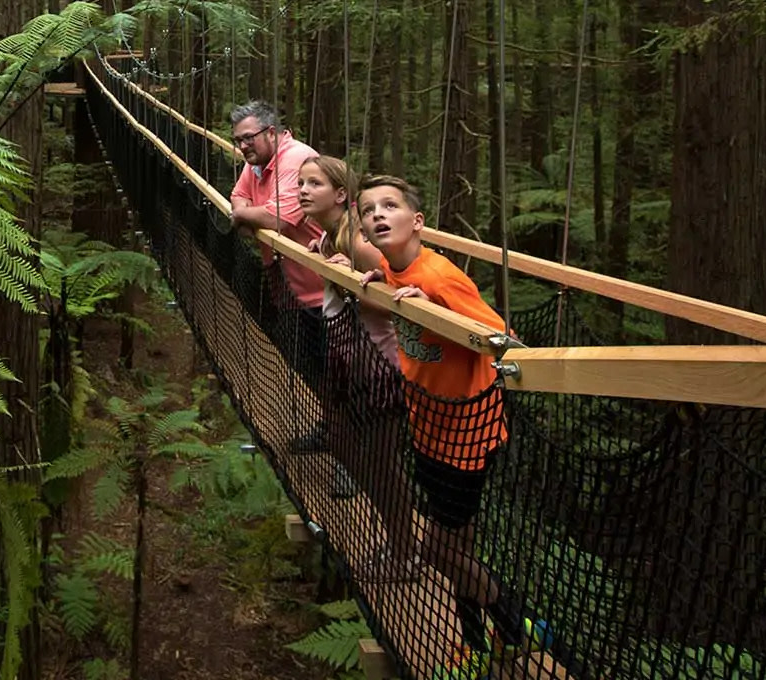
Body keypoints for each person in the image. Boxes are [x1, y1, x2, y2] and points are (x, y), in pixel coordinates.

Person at [354, 174, 549, 679]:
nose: (377, 214)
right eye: (368, 209)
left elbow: (504, 338)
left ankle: (517, 623)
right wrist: (376, 284)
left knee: (438, 549)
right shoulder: (387, 265)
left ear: (416, 222)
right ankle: (476, 645)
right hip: (427, 426)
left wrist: (434, 308)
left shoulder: (440, 278)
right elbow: (381, 275)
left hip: (466, 433)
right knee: (458, 547)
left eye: (390, 206)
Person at [296, 156, 419, 579]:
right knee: (351, 449)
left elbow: (389, 296)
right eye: (300, 183)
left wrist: (349, 275)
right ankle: (400, 545)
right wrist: (327, 255)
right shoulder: (334, 235)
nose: (303, 191)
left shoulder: (356, 239)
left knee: (384, 467)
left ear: (341, 194)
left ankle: (405, 553)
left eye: (314, 184)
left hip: (375, 363)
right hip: (348, 358)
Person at [226, 101, 328, 454]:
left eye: (249, 138)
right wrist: (246, 213)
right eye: (238, 140)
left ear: (271, 132)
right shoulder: (257, 164)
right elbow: (238, 196)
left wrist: (243, 217)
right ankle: (329, 432)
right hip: (289, 282)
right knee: (314, 368)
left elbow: (280, 219)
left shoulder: (297, 159)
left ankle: (351, 459)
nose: (243, 146)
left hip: (325, 288)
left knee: (342, 377)